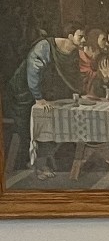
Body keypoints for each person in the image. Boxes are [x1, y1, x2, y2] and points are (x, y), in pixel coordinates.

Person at [4, 29, 83, 167]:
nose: (84, 40)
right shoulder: (44, 47)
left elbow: (72, 76)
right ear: (70, 36)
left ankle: (52, 158)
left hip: (44, 91)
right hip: (23, 92)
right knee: (33, 120)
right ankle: (34, 162)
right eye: (81, 36)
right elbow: (33, 72)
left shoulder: (73, 52)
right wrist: (38, 98)